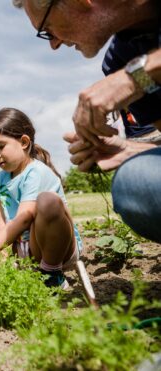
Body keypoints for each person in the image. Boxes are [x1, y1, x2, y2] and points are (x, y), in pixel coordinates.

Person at [14, 0, 161, 243]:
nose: (53, 44)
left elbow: (133, 76)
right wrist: (128, 150)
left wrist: (134, 77)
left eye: (47, 29)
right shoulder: (119, 60)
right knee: (134, 182)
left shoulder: (127, 71)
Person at [0, 108, 82, 289]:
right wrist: (2, 249)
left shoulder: (36, 172)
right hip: (21, 245)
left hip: (53, 247)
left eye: (0, 146)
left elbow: (24, 218)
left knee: (48, 202)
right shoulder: (1, 177)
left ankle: (51, 274)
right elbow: (2, 219)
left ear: (24, 142)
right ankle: (7, 262)